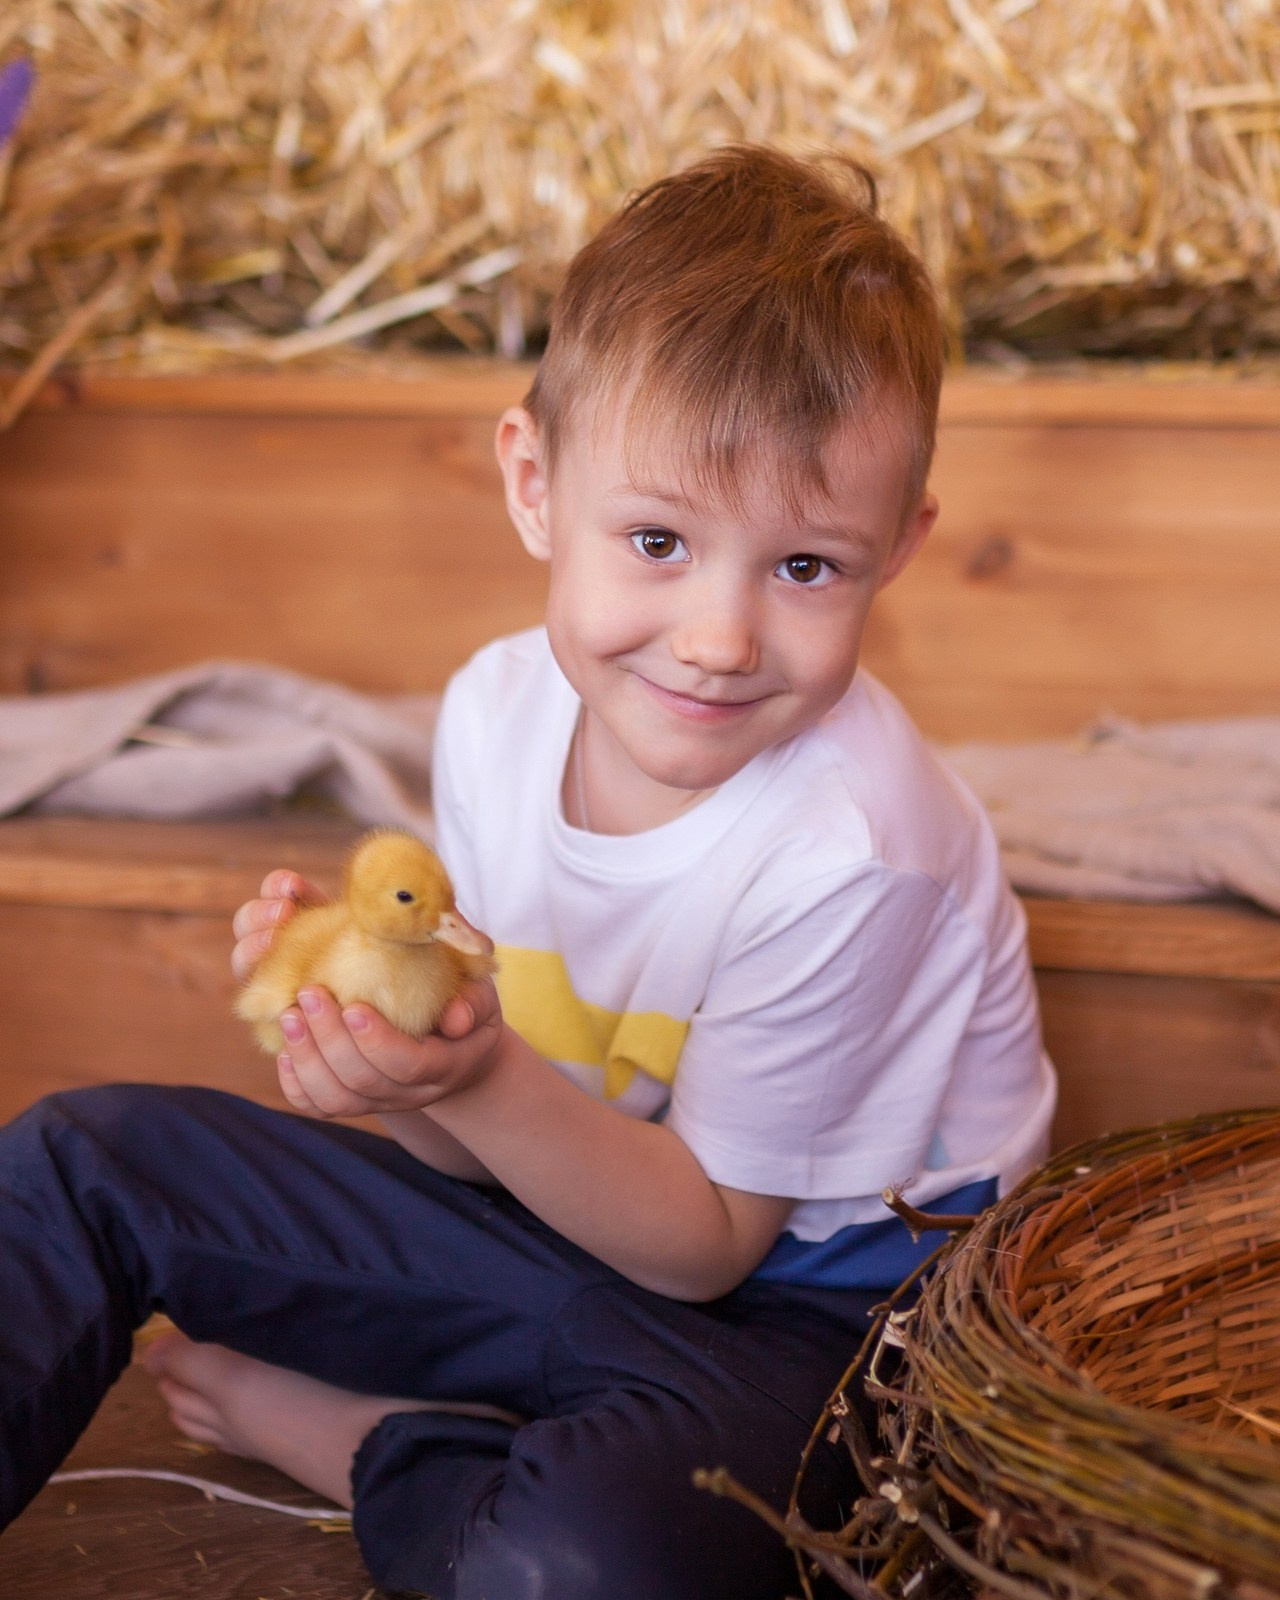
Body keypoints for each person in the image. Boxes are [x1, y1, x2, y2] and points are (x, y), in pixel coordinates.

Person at [0, 145, 1055, 1599]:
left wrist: (470, 1085)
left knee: (587, 1561)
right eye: (660, 540)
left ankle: (382, 1442)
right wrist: (397, 1067)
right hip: (573, 1232)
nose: (718, 636)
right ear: (534, 486)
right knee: (83, 1162)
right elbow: (490, 1132)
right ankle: (477, 1415)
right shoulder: (498, 718)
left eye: (805, 568)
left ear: (899, 552)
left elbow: (700, 1250)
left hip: (823, 1335)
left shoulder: (853, 851)